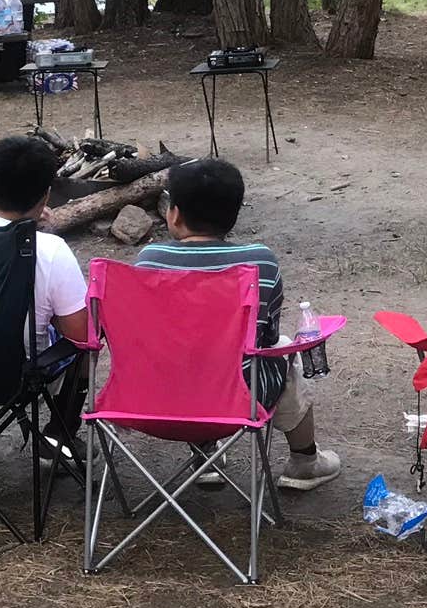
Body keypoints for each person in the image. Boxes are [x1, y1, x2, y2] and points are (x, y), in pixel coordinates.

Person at [138, 156, 342, 492]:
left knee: (183, 350)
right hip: (236, 399)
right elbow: (267, 337)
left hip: (150, 397)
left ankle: (205, 458)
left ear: (173, 214)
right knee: (278, 348)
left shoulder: (149, 260)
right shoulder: (258, 262)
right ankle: (305, 462)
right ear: (232, 216)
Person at [0, 134, 90, 456]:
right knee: (93, 335)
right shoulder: (50, 251)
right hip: (20, 374)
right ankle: (58, 437)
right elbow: (80, 335)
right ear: (46, 197)